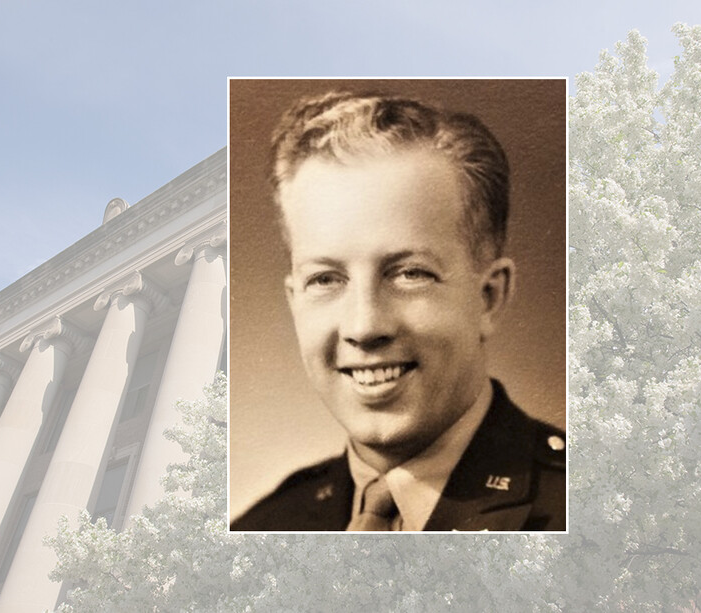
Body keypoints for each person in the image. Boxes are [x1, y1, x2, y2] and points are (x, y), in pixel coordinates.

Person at [231, 91, 565, 532]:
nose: (364, 326)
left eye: (410, 274)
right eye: (326, 280)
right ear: (295, 301)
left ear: (489, 297)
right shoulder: (262, 527)